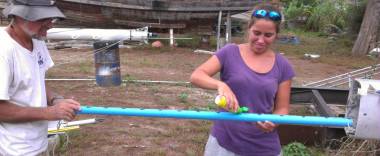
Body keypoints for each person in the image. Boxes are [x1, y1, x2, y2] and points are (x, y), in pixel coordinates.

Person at [190, 4, 295, 156]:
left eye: (268, 35)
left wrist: (274, 120)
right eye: (256, 33)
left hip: (263, 147)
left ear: (276, 35)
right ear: (248, 29)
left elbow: (283, 108)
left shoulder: (283, 65)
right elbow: (196, 76)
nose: (260, 40)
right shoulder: (229, 52)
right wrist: (221, 85)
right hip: (224, 143)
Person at [0, 0, 81, 155]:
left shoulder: (36, 40)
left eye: (51, 19)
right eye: (42, 19)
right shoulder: (3, 51)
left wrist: (55, 100)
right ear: (20, 17)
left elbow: (35, 82)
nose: (50, 24)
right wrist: (50, 113)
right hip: (12, 150)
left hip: (37, 143)